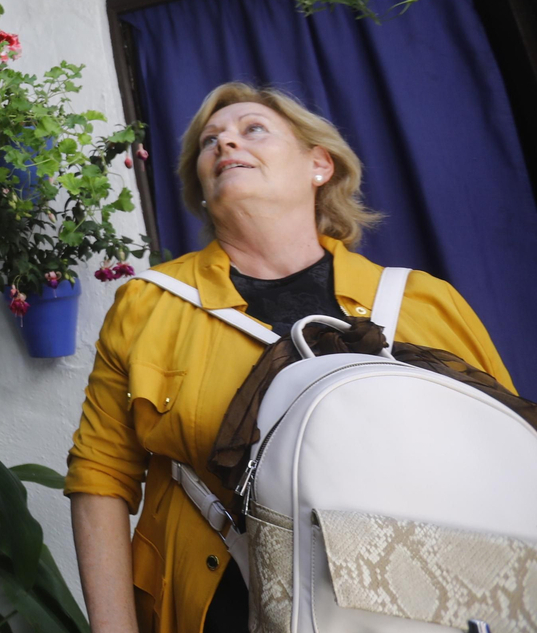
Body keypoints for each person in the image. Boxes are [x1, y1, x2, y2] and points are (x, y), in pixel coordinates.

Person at [65, 82, 514, 633]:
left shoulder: (423, 301)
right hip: (223, 608)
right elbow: (99, 479)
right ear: (202, 185)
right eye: (211, 142)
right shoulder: (150, 304)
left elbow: (509, 458)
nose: (226, 145)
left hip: (426, 610)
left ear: (319, 165)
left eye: (252, 130)